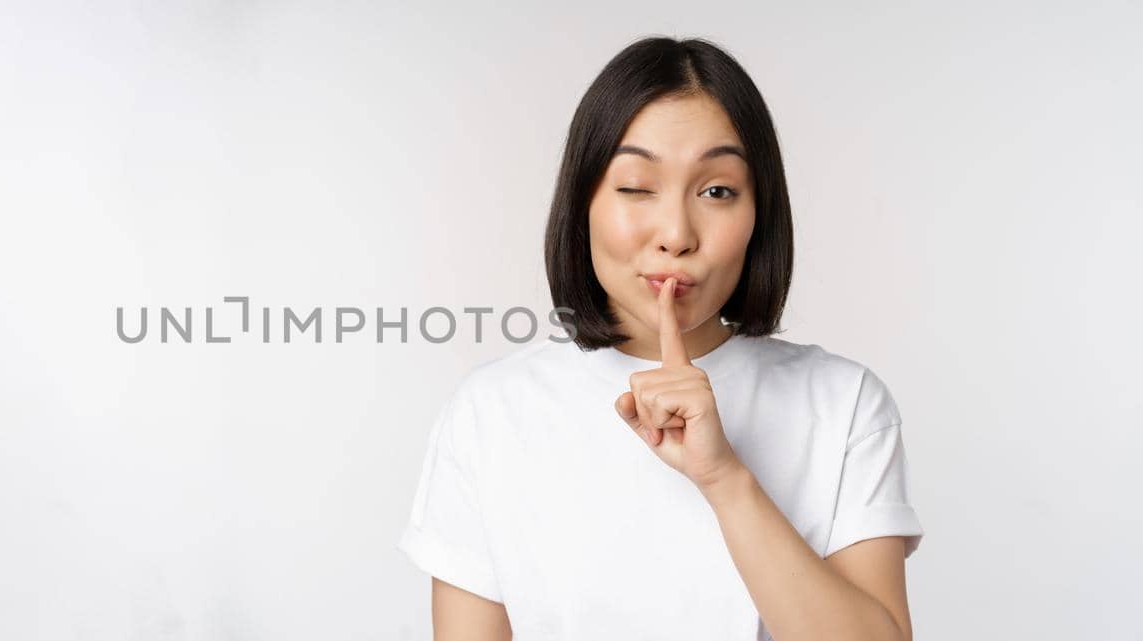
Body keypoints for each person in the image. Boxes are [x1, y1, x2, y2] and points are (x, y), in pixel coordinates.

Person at [395, 36, 924, 641]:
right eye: (636, 186)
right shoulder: (492, 411)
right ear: (583, 203)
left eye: (717, 190)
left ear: (760, 214)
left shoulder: (844, 404)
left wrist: (724, 478)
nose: (676, 234)